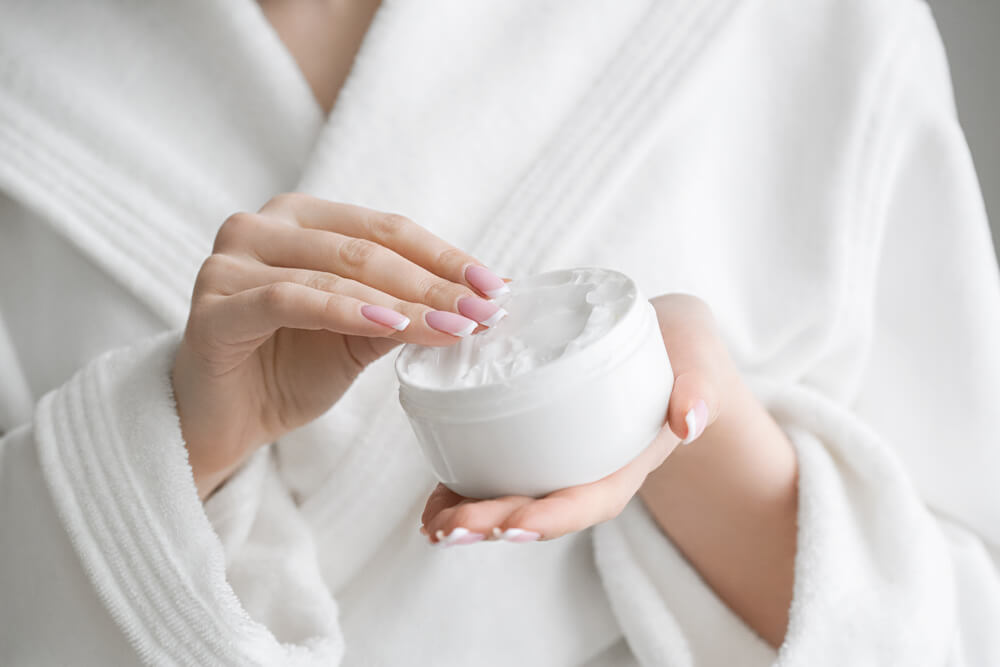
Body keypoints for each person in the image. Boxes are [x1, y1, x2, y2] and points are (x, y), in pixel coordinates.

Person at [1, 0, 998, 664]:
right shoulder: (28, 73)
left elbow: (961, 630)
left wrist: (694, 431)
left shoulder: (802, 27)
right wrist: (175, 446)